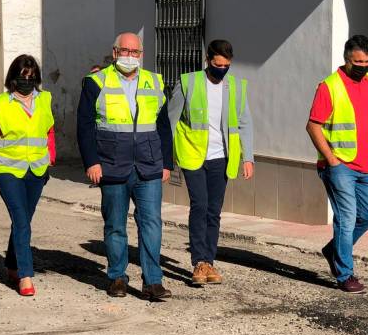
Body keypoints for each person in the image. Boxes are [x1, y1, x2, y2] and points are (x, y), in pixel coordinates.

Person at [77, 32, 173, 300]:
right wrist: (92, 162)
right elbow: (84, 126)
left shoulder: (154, 81)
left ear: (141, 55)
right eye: (125, 51)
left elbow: (163, 125)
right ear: (115, 52)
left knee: (152, 223)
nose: (130, 57)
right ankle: (117, 277)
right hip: (111, 165)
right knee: (115, 226)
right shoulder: (96, 82)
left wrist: (167, 162)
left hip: (149, 165)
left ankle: (153, 281)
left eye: (135, 52)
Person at [168, 39, 253, 285]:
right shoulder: (189, 82)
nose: (222, 69)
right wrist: (166, 158)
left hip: (222, 157)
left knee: (214, 211)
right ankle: (199, 262)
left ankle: (209, 263)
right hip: (193, 155)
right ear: (208, 60)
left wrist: (248, 157)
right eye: (217, 64)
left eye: (226, 65)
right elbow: (171, 119)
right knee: (200, 205)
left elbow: (245, 122)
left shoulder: (236, 87)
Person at [0, 54, 55, 297]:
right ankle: (25, 275)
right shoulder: (0, 104)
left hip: (37, 170)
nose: (27, 81)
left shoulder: (45, 99)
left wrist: (51, 156)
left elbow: (49, 130)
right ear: (12, 78)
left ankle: (11, 265)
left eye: (31, 77)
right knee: (21, 220)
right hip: (8, 172)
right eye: (22, 77)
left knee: (23, 221)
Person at [306, 35, 368, 294]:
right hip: (340, 167)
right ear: (346, 59)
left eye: (367, 61)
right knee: (346, 218)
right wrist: (331, 159)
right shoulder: (329, 86)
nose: (362, 66)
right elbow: (313, 125)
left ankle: (334, 250)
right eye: (357, 61)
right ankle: (345, 274)